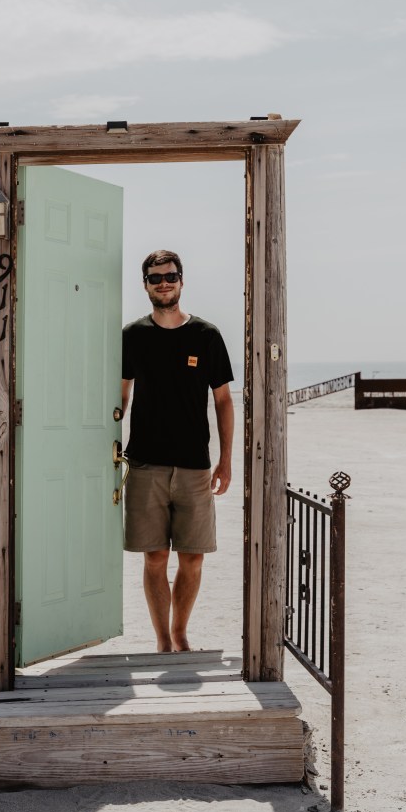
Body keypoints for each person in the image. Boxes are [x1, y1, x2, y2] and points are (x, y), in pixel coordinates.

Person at [121, 249, 234, 652]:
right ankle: (163, 641)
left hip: (194, 466)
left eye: (170, 276)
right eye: (155, 278)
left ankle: (181, 633)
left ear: (181, 281)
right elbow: (120, 396)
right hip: (145, 464)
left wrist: (226, 460)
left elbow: (223, 400)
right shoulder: (132, 336)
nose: (164, 283)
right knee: (154, 558)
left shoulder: (206, 335)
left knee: (193, 558)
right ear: (146, 285)